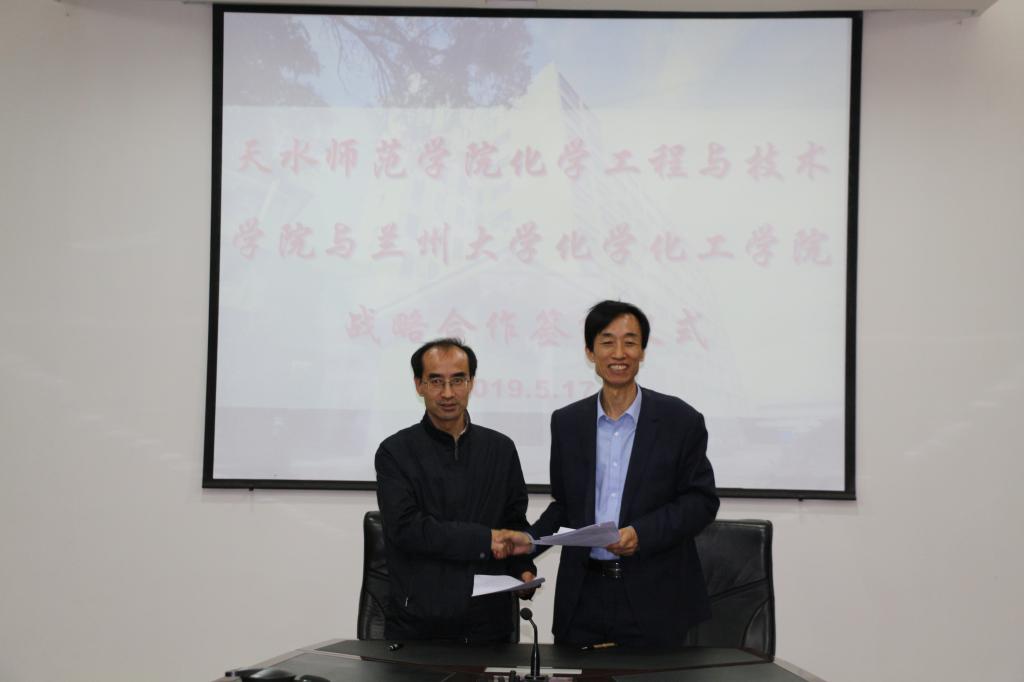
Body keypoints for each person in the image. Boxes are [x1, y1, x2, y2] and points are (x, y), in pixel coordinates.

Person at [530, 300, 719, 647]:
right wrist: (526, 546)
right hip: (583, 595)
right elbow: (565, 506)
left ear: (642, 351)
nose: (619, 353)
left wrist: (641, 533)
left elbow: (700, 502)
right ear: (590, 352)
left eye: (630, 342)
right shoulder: (568, 422)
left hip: (657, 597)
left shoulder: (680, 420)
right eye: (607, 341)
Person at [375, 337, 535, 643]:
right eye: (436, 381)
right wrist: (484, 538)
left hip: (489, 622)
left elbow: (513, 522)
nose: (448, 393)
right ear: (419, 385)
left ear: (471, 382)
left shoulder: (500, 449)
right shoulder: (395, 452)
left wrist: (523, 568)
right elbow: (406, 529)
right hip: (419, 624)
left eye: (458, 380)